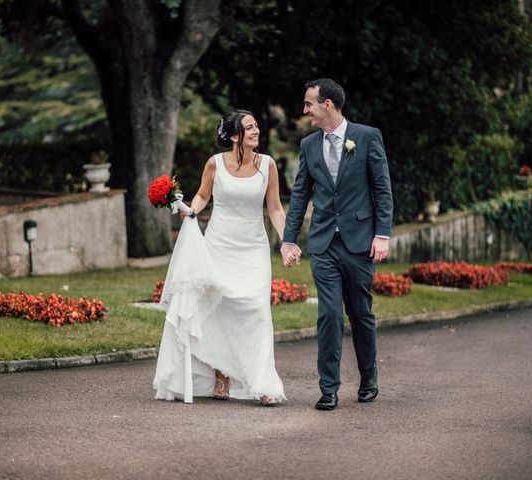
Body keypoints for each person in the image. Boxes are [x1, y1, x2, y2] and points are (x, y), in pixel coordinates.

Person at [153, 109, 287, 406]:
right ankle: (222, 374)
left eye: (256, 126)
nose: (256, 131)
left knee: (258, 312)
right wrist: (191, 209)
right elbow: (203, 195)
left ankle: (263, 383)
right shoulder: (215, 164)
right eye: (249, 128)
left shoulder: (268, 165)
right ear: (235, 136)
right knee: (219, 309)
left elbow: (275, 208)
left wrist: (287, 241)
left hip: (253, 248)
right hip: (219, 245)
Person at [281, 78, 393, 411]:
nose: (305, 110)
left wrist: (382, 234)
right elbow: (300, 194)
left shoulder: (368, 137)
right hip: (324, 243)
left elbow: (382, 189)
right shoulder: (308, 146)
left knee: (361, 314)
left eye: (308, 104)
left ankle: (369, 378)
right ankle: (328, 389)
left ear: (327, 104)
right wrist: (289, 239)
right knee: (329, 314)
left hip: (360, 242)